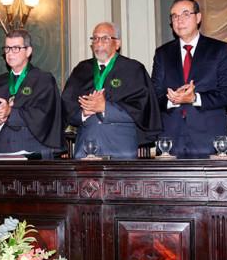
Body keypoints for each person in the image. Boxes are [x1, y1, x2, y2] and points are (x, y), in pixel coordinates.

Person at [151, 0, 227, 158]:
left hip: (208, 139)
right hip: (170, 139)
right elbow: (154, 95)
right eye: (174, 16)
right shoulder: (162, 53)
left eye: (185, 14)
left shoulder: (219, 50)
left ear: (198, 18)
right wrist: (172, 99)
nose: (179, 20)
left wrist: (194, 98)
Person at [62, 22, 161, 159]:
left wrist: (105, 108)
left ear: (117, 43)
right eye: (95, 39)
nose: (99, 43)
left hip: (120, 149)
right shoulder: (81, 69)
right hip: (85, 149)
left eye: (105, 38)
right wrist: (83, 113)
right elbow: (66, 106)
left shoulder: (133, 69)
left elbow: (143, 109)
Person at [0, 29, 63, 158]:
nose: (10, 53)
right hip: (3, 150)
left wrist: (10, 112)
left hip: (34, 150)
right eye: (7, 48)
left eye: (16, 48)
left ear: (28, 51)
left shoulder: (43, 79)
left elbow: (44, 114)